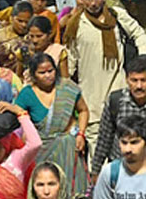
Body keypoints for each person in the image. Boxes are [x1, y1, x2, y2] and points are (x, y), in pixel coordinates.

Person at [63, 0, 146, 146]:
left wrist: (143, 57)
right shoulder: (75, 24)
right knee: (96, 148)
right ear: (82, 0)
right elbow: (70, 60)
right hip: (90, 98)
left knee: (124, 143)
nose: (93, 3)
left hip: (119, 91)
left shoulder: (116, 16)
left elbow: (139, 34)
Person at [13, 53, 91, 195]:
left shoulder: (67, 88)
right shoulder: (27, 94)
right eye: (42, 73)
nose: (48, 75)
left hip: (67, 148)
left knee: (70, 189)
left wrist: (81, 134)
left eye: (50, 71)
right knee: (44, 188)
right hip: (40, 150)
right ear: (33, 75)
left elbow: (83, 110)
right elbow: (17, 117)